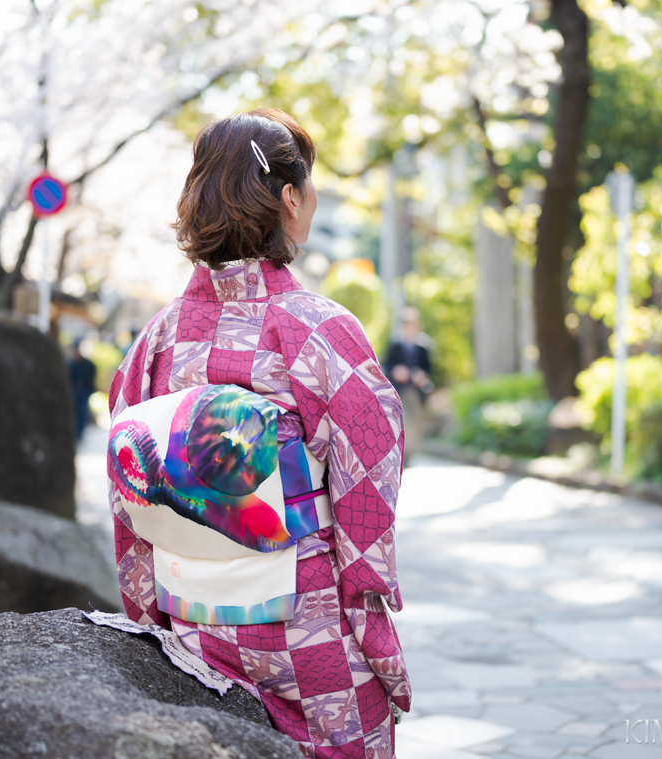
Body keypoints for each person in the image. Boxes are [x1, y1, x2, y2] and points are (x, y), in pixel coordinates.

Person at [106, 109, 409, 758]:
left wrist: (147, 606)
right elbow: (369, 487)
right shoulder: (317, 332)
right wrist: (370, 621)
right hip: (305, 630)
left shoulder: (153, 342)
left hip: (192, 625)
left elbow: (127, 486)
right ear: (291, 199)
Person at [383, 307, 433, 464]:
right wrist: (396, 371)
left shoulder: (423, 346)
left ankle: (410, 454)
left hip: (416, 391)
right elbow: (386, 366)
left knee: (414, 422)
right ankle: (400, 454)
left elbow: (429, 368)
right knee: (399, 421)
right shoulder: (395, 346)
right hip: (399, 390)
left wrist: (422, 375)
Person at [68, 343, 97, 440]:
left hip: (84, 391)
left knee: (82, 412)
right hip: (74, 391)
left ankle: (80, 431)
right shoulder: (71, 364)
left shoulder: (88, 364)